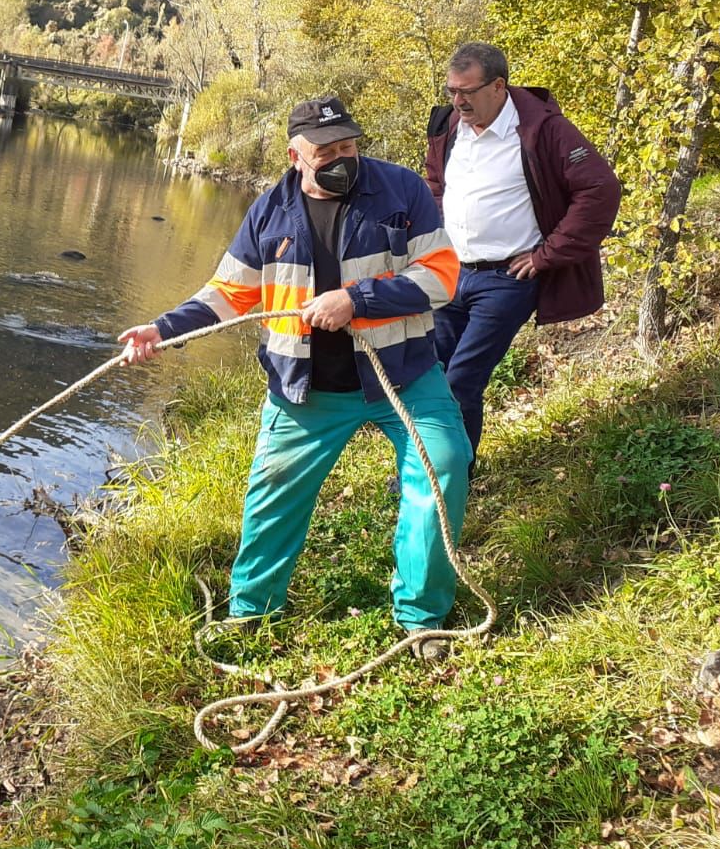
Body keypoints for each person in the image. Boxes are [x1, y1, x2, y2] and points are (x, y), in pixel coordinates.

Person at [120, 96, 472, 659]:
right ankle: (251, 612)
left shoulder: (402, 191)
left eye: (349, 146)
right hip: (305, 390)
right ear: (295, 155)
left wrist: (356, 299)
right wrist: (163, 330)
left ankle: (422, 616)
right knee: (272, 495)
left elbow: (442, 276)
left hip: (404, 377)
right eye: (327, 150)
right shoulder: (268, 212)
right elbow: (230, 294)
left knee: (444, 467)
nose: (342, 158)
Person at [425, 42, 621, 457]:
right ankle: (430, 466)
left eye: (467, 91)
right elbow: (436, 184)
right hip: (451, 272)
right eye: (451, 91)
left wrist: (547, 254)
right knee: (431, 374)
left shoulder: (543, 129)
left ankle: (448, 479)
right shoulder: (447, 127)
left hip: (506, 279)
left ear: (498, 86)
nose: (457, 101)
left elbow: (599, 189)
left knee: (462, 378)